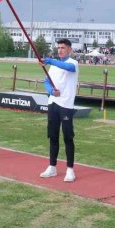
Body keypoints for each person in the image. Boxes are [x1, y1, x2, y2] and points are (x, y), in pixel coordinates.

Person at [39, 39, 79, 182]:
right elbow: (46, 81)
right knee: (53, 136)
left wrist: (50, 60)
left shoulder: (73, 63)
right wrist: (51, 91)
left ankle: (70, 169)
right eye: (59, 48)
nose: (60, 50)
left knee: (68, 137)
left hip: (66, 105)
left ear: (69, 49)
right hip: (53, 103)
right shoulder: (53, 66)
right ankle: (52, 167)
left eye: (63, 47)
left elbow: (67, 68)